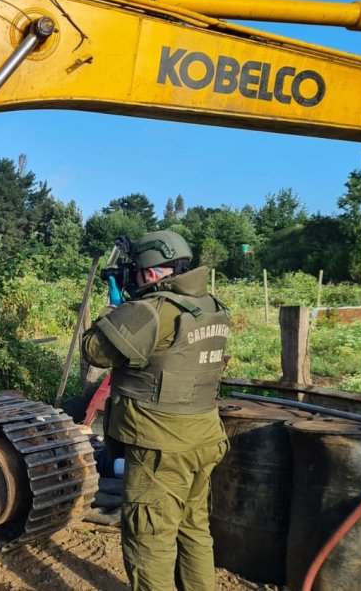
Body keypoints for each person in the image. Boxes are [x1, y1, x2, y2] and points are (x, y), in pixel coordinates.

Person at [81, 230, 231, 591]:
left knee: (149, 541)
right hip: (203, 438)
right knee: (193, 529)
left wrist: (117, 309)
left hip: (161, 448)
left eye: (135, 273)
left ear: (149, 273)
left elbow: (95, 351)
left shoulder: (151, 311)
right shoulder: (212, 306)